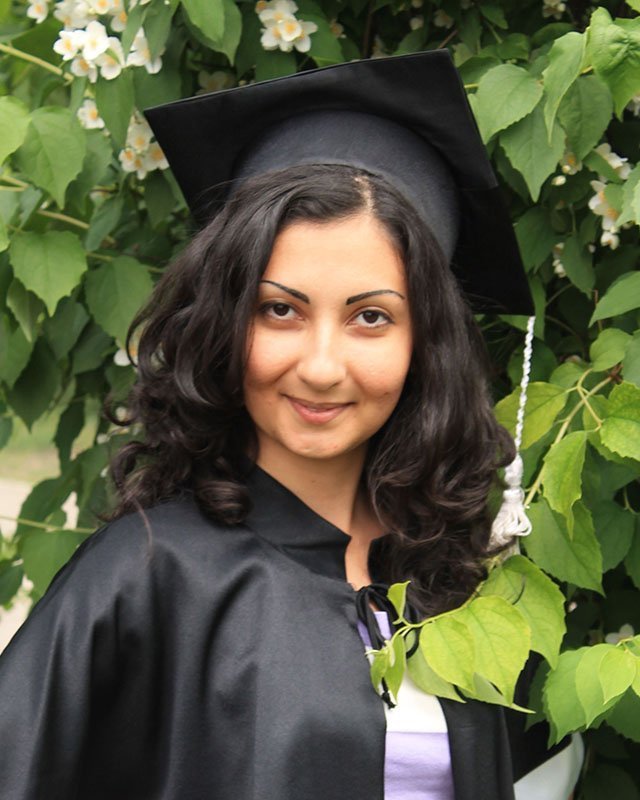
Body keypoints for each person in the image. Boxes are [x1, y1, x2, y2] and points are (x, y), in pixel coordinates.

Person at [0, 51, 582, 799]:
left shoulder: (459, 576)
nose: (322, 366)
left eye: (371, 317)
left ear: (424, 342)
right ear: (225, 321)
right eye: (280, 310)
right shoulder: (148, 573)